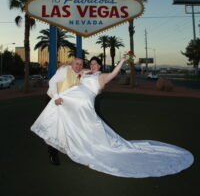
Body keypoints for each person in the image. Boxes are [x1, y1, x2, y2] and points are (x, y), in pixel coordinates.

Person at [31, 56, 194, 178]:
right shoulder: (82, 72)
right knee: (60, 124)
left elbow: (114, 73)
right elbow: (61, 78)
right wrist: (66, 66)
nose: (92, 65)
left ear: (100, 65)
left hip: (80, 104)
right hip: (63, 100)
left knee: (83, 127)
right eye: (90, 64)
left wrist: (122, 61)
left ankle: (86, 148)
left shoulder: (102, 76)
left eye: (95, 64)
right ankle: (55, 150)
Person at [45, 57, 83, 165]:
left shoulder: (80, 73)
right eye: (76, 64)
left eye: (81, 64)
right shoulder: (64, 70)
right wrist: (56, 97)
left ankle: (67, 147)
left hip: (64, 104)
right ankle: (52, 154)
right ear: (72, 63)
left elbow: (88, 71)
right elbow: (52, 81)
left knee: (66, 126)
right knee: (54, 128)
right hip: (53, 100)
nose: (79, 66)